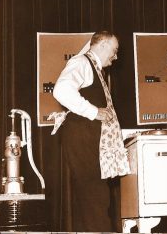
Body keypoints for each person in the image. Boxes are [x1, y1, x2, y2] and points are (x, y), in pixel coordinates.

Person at [52, 31, 130, 232]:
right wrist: (94, 112)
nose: (116, 56)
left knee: (95, 199)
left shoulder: (94, 67)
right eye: (114, 50)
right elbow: (61, 90)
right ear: (102, 44)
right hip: (82, 137)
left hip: (88, 138)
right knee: (95, 198)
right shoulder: (82, 63)